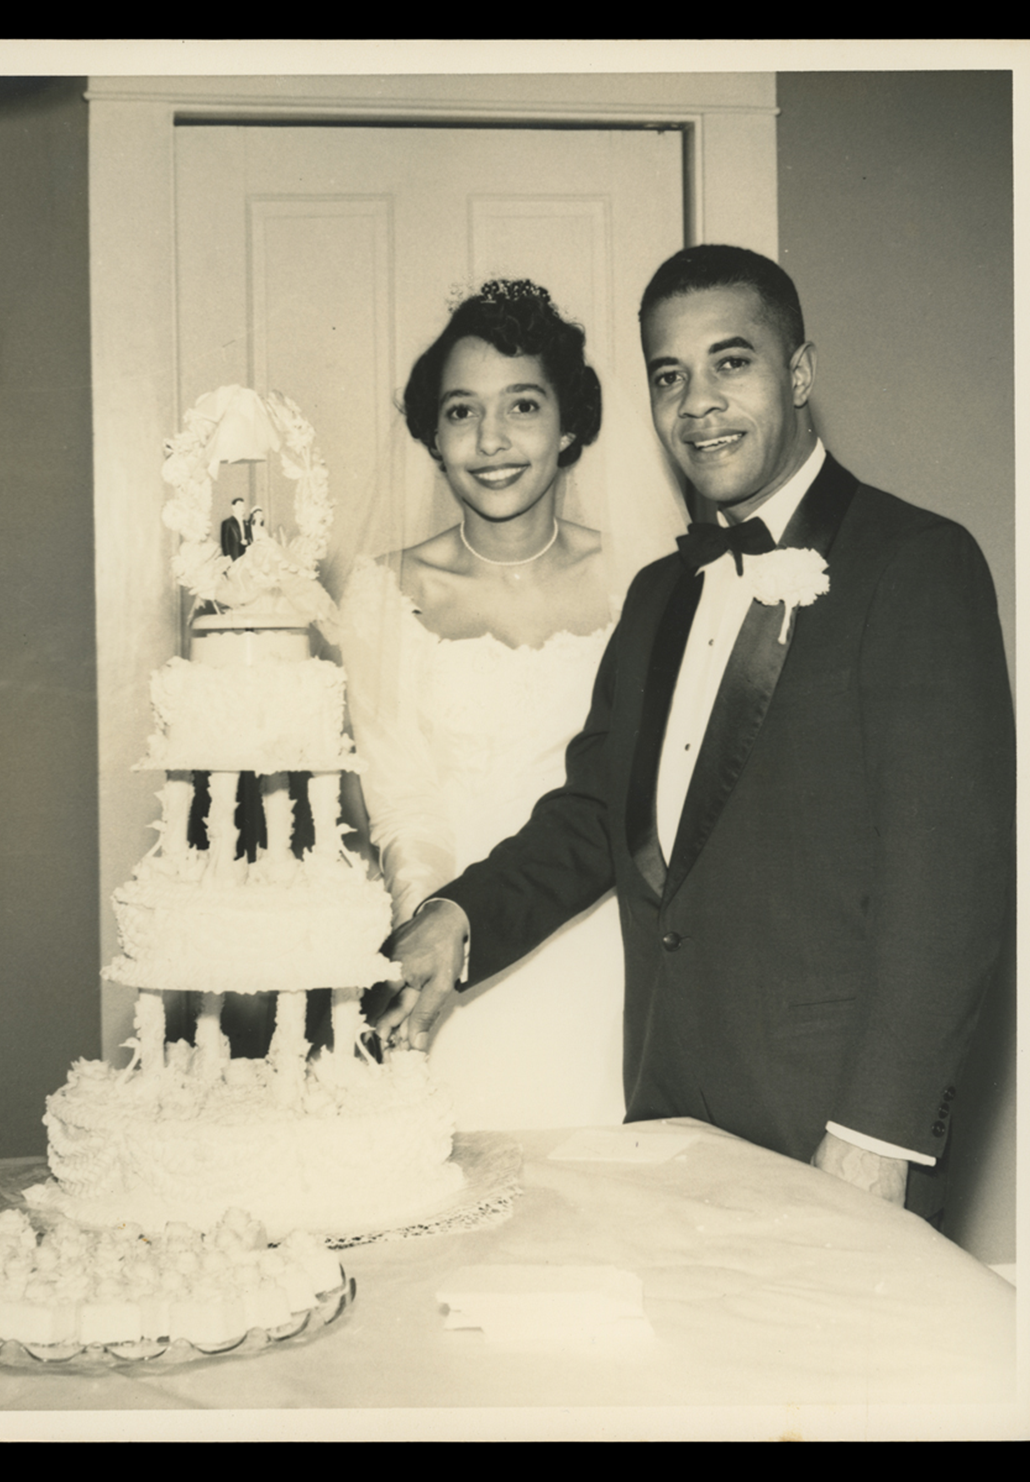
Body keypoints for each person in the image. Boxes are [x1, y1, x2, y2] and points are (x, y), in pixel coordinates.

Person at [380, 246, 1015, 1219]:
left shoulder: (918, 566)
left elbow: (950, 893)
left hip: (832, 1135)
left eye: (732, 362)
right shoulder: (658, 595)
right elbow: (596, 817)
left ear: (799, 373)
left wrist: (875, 1138)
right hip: (668, 1119)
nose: (698, 404)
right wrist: (460, 918)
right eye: (670, 377)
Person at [339, 279, 685, 1129]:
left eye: (521, 405)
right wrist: (434, 931)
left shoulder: (649, 581)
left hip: (611, 965)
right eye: (461, 412)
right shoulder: (383, 593)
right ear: (432, 435)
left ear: (569, 427)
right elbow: (402, 799)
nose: (490, 440)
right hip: (444, 954)